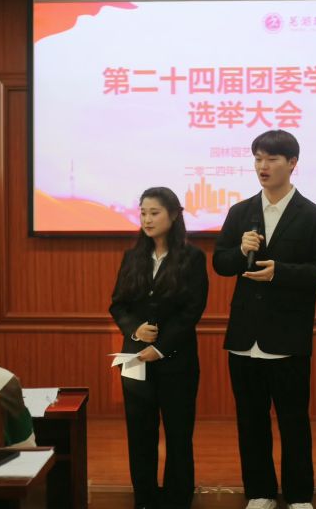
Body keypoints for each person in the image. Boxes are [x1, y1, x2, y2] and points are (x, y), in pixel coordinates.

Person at [213, 129, 316, 509]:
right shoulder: (241, 212)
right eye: (257, 159)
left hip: (288, 337)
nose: (262, 166)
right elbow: (220, 263)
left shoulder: (313, 216)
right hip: (244, 337)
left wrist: (279, 272)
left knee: (293, 421)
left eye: (271, 159)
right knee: (250, 422)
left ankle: (299, 495)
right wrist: (240, 251)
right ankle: (261, 492)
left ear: (292, 163)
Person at [110, 187, 209, 509]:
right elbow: (118, 304)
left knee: (178, 435)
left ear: (174, 215)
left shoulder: (192, 258)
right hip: (135, 357)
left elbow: (192, 311)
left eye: (154, 212)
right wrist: (134, 329)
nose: (147, 219)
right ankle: (145, 498)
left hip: (176, 360)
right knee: (140, 435)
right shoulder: (133, 257)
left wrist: (162, 348)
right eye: (143, 213)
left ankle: (178, 499)